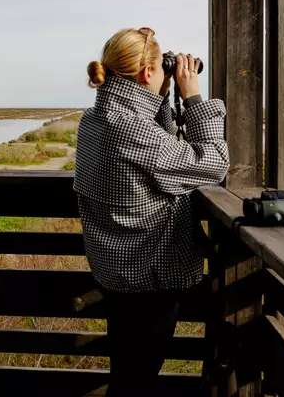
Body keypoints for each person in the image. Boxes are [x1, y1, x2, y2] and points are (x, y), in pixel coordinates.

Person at [73, 27, 229, 396]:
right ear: (146, 73)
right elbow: (213, 163)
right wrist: (192, 99)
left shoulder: (94, 119)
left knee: (128, 373)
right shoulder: (128, 129)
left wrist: (161, 97)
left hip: (117, 273)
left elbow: (155, 148)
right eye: (163, 68)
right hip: (148, 277)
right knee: (136, 382)